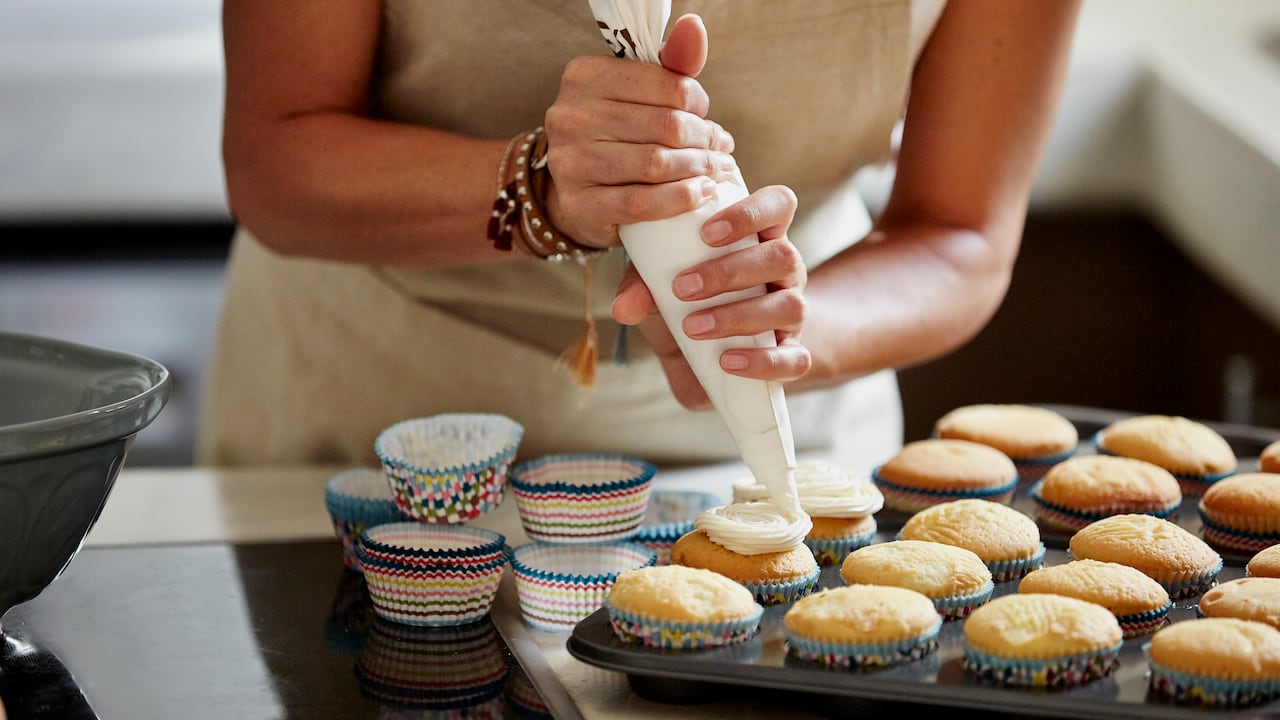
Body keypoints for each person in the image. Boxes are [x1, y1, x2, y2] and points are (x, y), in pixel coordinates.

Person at [197, 0, 1083, 477]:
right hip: (380, 423)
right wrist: (536, 187)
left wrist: (773, 328)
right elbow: (275, 153)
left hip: (785, 440)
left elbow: (958, 231)